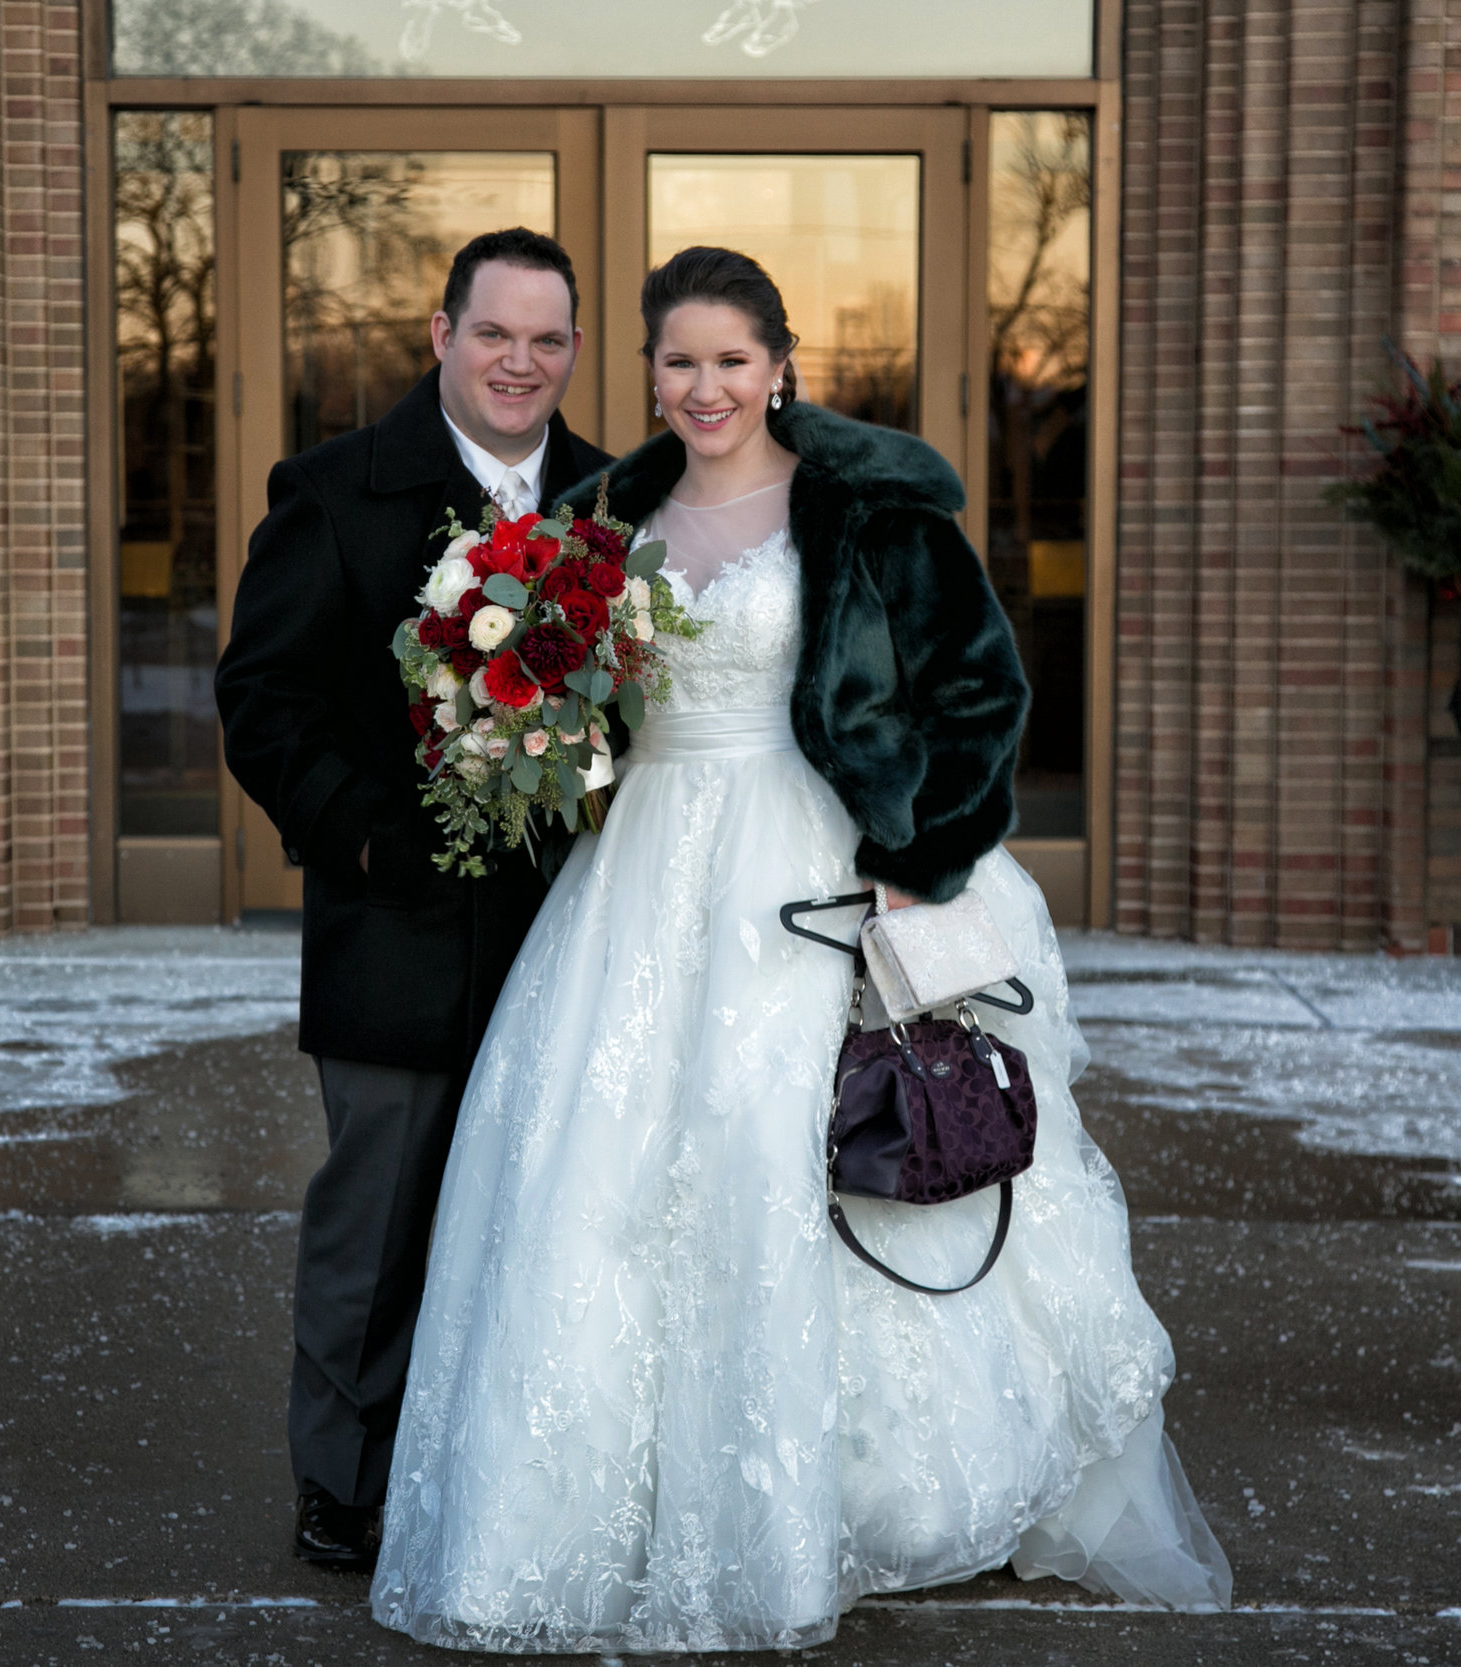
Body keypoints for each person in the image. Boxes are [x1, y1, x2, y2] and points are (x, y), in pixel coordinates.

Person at [369, 247, 1233, 1651]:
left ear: (780, 364)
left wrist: (921, 861)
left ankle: (866, 1500)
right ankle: (612, 1511)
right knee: (609, 1178)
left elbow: (980, 691)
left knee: (811, 1157)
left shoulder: (874, 505)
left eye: (729, 359)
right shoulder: (602, 514)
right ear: (645, 371)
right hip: (644, 873)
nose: (702, 387)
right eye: (676, 361)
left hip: (820, 863)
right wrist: (523, 732)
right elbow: (584, 706)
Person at [215, 227, 613, 1572]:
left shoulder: (617, 506)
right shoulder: (335, 492)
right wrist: (373, 841)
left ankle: (507, 1478)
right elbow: (261, 704)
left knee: (548, 1224)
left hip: (573, 936)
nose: (520, 362)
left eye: (547, 339)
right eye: (494, 334)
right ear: (441, 338)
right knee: (376, 1229)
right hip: (397, 925)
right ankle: (343, 1478)